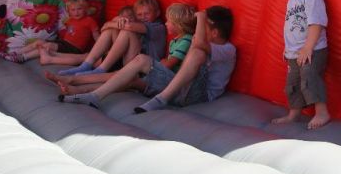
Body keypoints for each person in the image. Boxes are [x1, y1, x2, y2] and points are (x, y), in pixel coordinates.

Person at [59, 6, 236, 112]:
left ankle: (162, 98)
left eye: (203, 28)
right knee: (139, 64)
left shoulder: (228, 50)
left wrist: (202, 17)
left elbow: (198, 45)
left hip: (199, 95)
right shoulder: (200, 43)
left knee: (197, 52)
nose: (199, 32)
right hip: (180, 88)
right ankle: (92, 95)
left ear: (214, 32)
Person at [272, 0, 330, 129]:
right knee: (293, 83)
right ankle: (294, 114)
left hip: (313, 49)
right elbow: (292, 25)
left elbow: (316, 24)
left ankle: (322, 112)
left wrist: (308, 47)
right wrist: (288, 48)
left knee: (308, 77)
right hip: (294, 52)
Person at [47, 0, 165, 76]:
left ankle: (100, 69)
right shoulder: (139, 23)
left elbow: (128, 27)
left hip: (141, 66)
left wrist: (111, 23)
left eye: (147, 14)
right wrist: (113, 22)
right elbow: (109, 27)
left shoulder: (157, 27)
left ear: (157, 13)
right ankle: (86, 65)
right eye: (139, 14)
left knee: (124, 30)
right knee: (112, 29)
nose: (143, 17)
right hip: (126, 59)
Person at [0, 0, 99, 63]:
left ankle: (22, 58)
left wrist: (98, 51)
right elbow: (69, 33)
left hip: (74, 49)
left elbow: (97, 37)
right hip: (64, 43)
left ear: (85, 9)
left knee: (46, 46)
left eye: (79, 9)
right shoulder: (70, 20)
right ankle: (14, 53)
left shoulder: (89, 20)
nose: (76, 12)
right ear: (69, 11)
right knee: (39, 42)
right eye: (73, 10)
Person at [39, 5, 136, 67]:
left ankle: (50, 58)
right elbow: (106, 30)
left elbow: (120, 48)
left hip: (117, 60)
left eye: (130, 16)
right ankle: (53, 55)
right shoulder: (119, 28)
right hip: (112, 56)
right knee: (85, 57)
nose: (125, 19)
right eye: (122, 17)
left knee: (83, 58)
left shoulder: (134, 31)